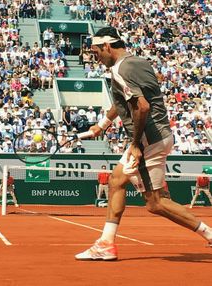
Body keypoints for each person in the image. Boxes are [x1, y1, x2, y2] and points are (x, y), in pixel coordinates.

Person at [75, 27, 212, 261]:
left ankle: (208, 232)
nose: (95, 56)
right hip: (159, 135)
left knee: (156, 203)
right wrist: (103, 124)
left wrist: (136, 143)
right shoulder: (138, 62)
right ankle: (106, 244)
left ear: (107, 46)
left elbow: (142, 106)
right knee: (117, 180)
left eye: (96, 51)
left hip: (149, 141)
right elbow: (123, 102)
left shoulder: (120, 70)